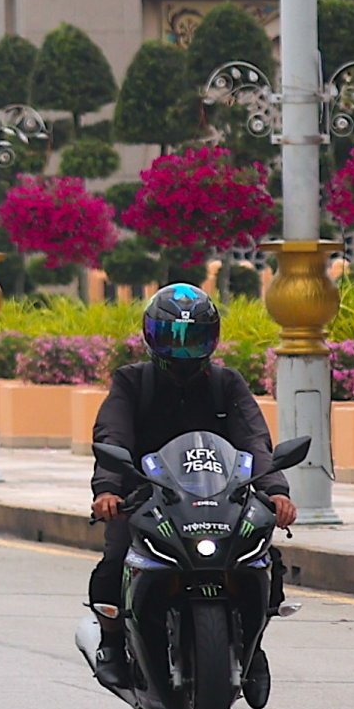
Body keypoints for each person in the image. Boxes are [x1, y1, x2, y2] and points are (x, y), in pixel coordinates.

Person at [86, 283, 288, 669]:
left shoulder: (226, 384)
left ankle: (253, 642)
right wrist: (109, 489)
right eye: (171, 337)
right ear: (150, 336)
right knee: (115, 563)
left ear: (211, 338)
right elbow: (112, 434)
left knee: (261, 559)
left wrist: (275, 491)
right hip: (147, 501)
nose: (181, 350)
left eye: (192, 338)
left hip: (219, 499)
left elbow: (254, 438)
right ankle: (111, 644)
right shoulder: (132, 382)